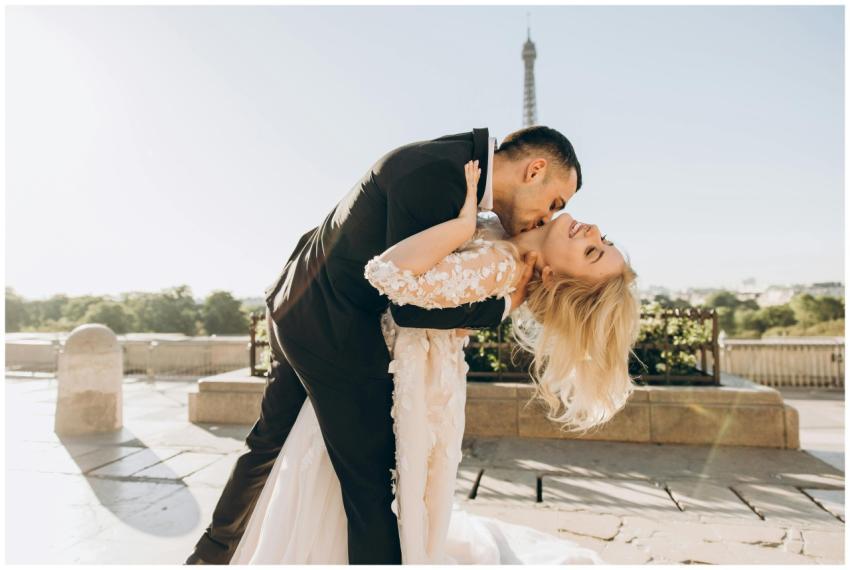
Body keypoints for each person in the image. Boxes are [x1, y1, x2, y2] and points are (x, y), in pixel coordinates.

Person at [186, 126, 586, 565]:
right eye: (554, 203)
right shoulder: (442, 177)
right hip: (332, 329)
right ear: (535, 169)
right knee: (371, 486)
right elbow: (410, 307)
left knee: (266, 445)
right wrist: (504, 305)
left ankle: (209, 558)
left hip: (298, 301)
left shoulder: (451, 162)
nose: (547, 218)